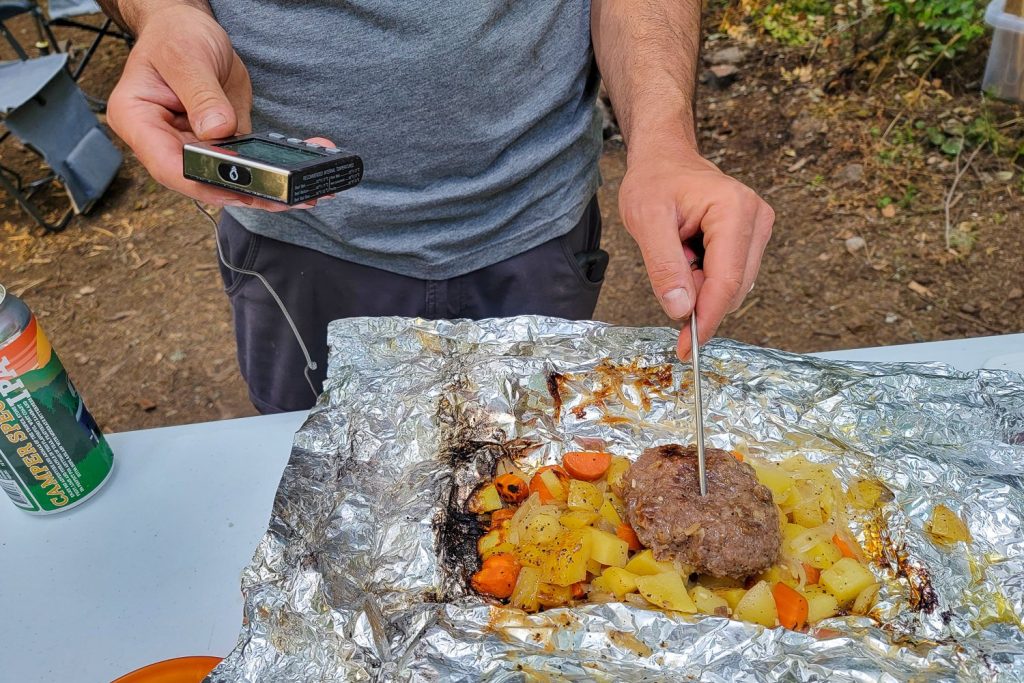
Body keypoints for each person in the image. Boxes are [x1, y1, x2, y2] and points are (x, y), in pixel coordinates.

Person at [99, 0, 774, 413]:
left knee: (527, 452)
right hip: (300, 242)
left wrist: (663, 140)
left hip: (537, 220)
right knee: (319, 469)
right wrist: (162, 12)